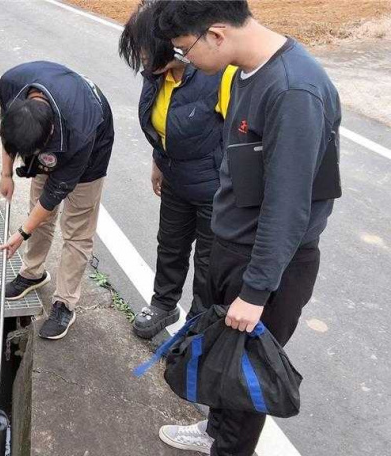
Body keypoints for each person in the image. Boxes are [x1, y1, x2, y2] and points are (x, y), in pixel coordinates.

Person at [152, 1, 342, 455]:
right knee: (223, 358)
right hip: (233, 246)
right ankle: (214, 433)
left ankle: (227, 446)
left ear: (215, 34)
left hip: (268, 260)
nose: (183, 61)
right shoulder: (242, 74)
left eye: (183, 50)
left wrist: (256, 292)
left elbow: (289, 205)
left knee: (245, 376)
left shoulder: (294, 90)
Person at [119, 0, 236, 339]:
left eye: (143, 50)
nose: (141, 59)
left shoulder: (219, 74)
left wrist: (231, 193)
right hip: (175, 178)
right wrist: (158, 160)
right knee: (169, 246)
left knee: (208, 264)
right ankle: (163, 303)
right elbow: (161, 123)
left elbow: (237, 140)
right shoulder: (157, 74)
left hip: (216, 189)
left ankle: (198, 326)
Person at [0, 61, 114, 340]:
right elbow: (8, 134)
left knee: (76, 229)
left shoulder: (80, 128)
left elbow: (54, 194)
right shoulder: (11, 85)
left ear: (49, 133)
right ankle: (33, 273)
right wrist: (6, 173)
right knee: (38, 210)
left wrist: (21, 233)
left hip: (91, 149)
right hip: (53, 131)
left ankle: (65, 302)